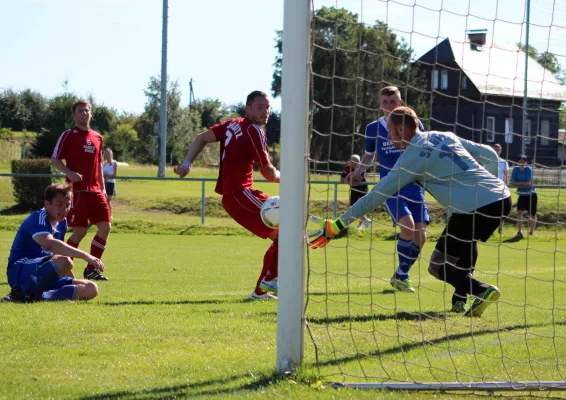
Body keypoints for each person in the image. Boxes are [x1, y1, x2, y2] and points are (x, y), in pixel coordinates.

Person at [309, 106, 511, 317]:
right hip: (501, 198)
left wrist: (337, 225)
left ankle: (481, 290)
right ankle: (460, 298)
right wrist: (491, 183)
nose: (387, 137)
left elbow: (376, 195)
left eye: (389, 132)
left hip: (475, 207)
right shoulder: (442, 135)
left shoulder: (412, 157)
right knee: (463, 245)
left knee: (436, 266)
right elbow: (488, 153)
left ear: (400, 130)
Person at [174, 91, 280, 301]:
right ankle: (270, 279)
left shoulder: (232, 124)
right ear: (247, 108)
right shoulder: (254, 131)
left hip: (235, 197)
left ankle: (261, 290)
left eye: (267, 107)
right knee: (285, 233)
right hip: (240, 194)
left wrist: (187, 163)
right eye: (260, 107)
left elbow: (201, 138)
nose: (265, 112)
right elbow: (268, 172)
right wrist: (285, 178)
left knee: (281, 234)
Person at [346, 86, 429, 293]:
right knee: (408, 226)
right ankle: (403, 276)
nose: (389, 105)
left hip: (414, 184)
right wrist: (359, 172)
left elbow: (425, 149)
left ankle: (401, 274)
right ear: (380, 104)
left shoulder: (414, 122)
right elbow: (368, 156)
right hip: (390, 186)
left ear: (400, 103)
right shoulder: (373, 128)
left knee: (421, 236)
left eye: (393, 102)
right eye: (385, 102)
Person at [3, 183, 102, 303]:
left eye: (67, 205)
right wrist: (85, 256)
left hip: (46, 273)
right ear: (47, 204)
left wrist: (70, 280)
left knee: (91, 288)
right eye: (59, 204)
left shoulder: (62, 222)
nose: (64, 209)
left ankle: (41, 296)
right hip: (21, 269)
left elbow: (59, 256)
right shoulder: (38, 218)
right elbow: (50, 244)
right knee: (65, 261)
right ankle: (18, 295)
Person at [51, 99, 111, 281]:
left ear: (91, 113)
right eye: (80, 111)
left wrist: (103, 188)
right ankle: (58, 265)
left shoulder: (98, 137)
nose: (84, 113)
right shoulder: (68, 135)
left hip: (96, 191)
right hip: (76, 192)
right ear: (74, 115)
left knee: (105, 227)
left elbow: (99, 165)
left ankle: (92, 268)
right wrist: (70, 173)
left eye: (86, 110)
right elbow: (55, 160)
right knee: (80, 231)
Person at [340, 154, 371, 230]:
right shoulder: (347, 167)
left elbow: (359, 179)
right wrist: (349, 180)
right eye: (353, 162)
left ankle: (360, 225)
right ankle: (366, 220)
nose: (355, 164)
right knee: (352, 207)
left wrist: (349, 179)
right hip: (354, 189)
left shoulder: (362, 167)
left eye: (357, 162)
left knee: (361, 206)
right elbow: (342, 179)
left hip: (362, 188)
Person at [511, 155, 537, 239]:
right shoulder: (515, 169)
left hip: (531, 194)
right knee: (519, 212)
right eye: (520, 161)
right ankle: (519, 231)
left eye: (523, 161)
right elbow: (513, 182)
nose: (521, 163)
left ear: (526, 163)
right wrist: (522, 184)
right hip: (522, 194)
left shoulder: (529, 169)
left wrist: (519, 183)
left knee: (532, 214)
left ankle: (531, 232)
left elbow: (528, 183)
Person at [492, 144, 509, 234]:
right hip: (490, 188)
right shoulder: (487, 161)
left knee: (502, 209)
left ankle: (501, 228)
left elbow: (506, 176)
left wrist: (505, 187)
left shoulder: (504, 162)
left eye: (498, 150)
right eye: (495, 150)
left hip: (501, 188)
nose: (497, 152)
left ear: (500, 151)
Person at [103, 148, 118, 217]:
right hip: (103, 183)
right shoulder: (103, 163)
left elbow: (115, 175)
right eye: (106, 154)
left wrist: (107, 177)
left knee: (108, 200)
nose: (107, 156)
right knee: (103, 200)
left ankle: (109, 215)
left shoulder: (114, 163)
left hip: (110, 183)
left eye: (108, 154)